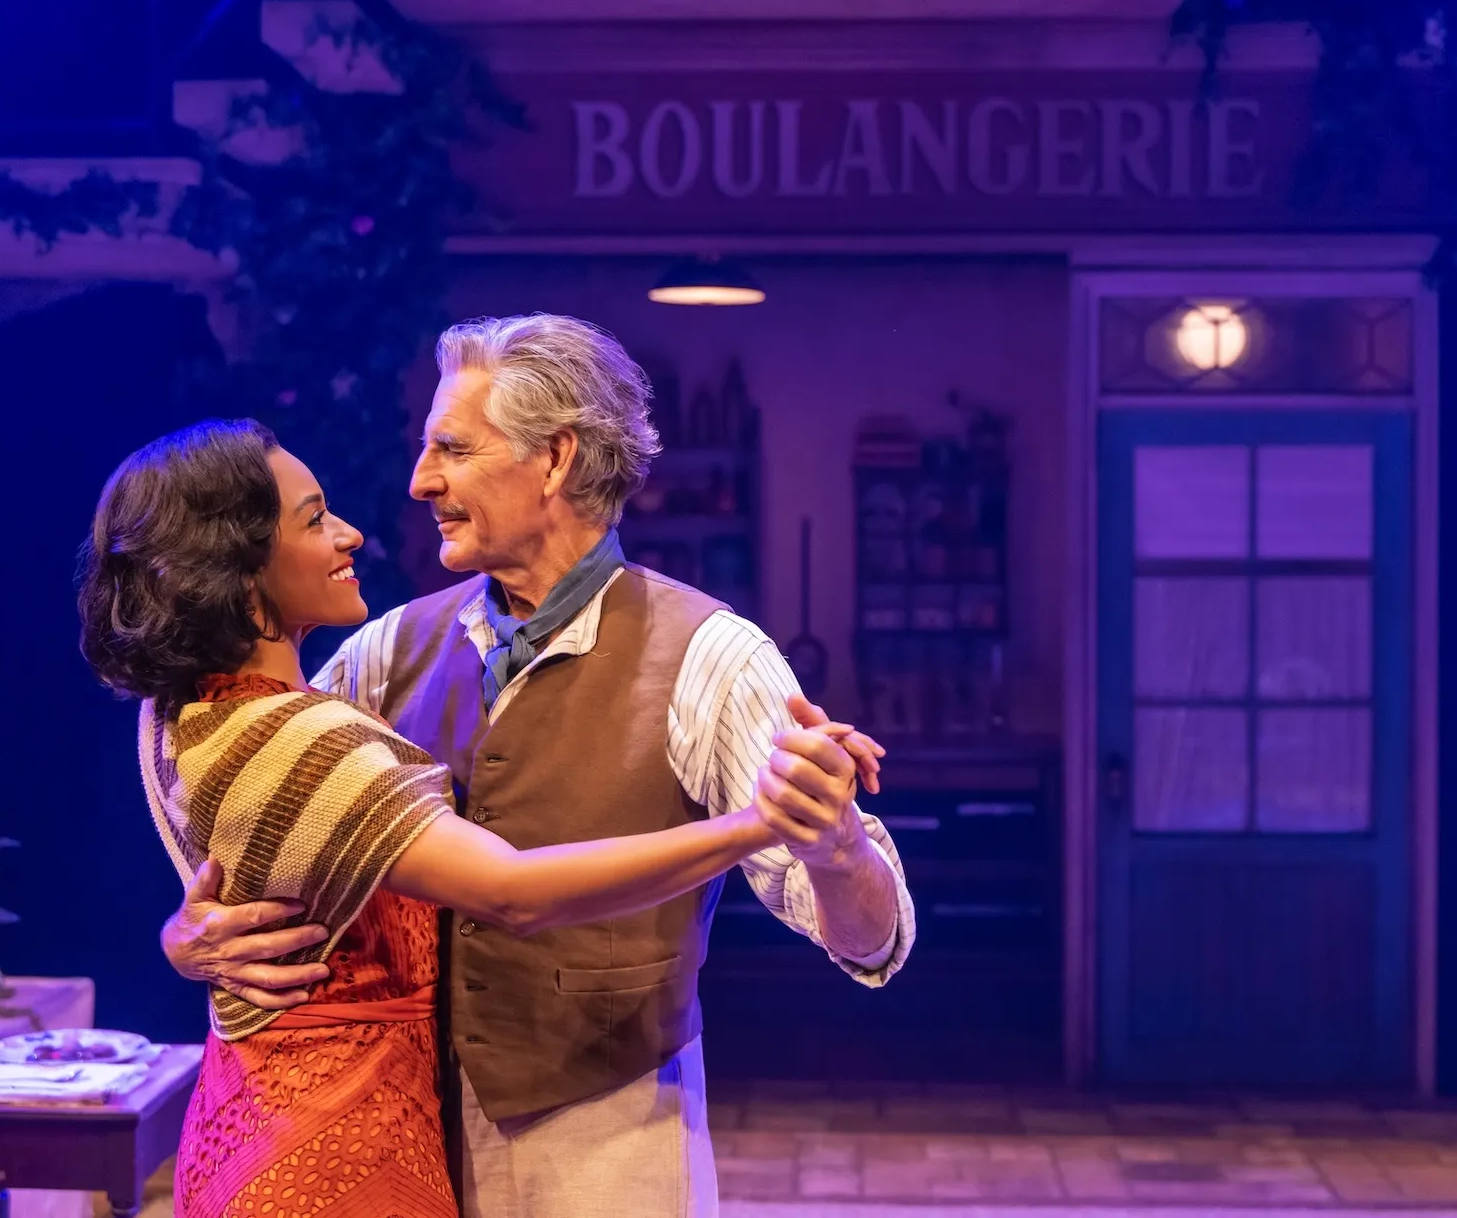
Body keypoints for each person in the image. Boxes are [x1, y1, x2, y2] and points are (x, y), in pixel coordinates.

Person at [164, 314, 916, 1216]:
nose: (420, 480)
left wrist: (837, 847)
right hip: (407, 1132)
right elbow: (252, 802)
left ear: (555, 459)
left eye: (452, 448)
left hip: (607, 1142)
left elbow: (875, 939)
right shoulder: (388, 651)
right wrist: (187, 931)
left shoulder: (711, 657)